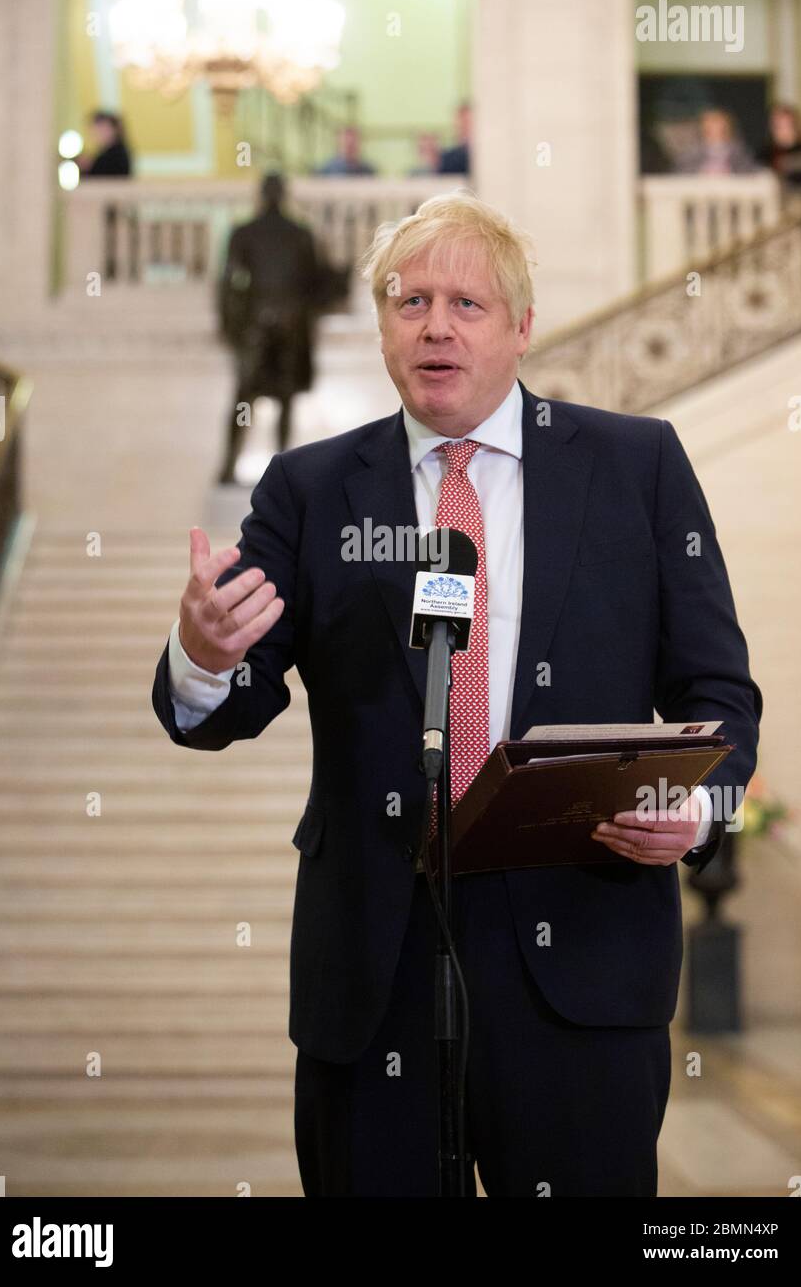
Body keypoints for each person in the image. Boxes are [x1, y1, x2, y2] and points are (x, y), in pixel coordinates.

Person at [152, 190, 761, 1197]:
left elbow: (717, 694)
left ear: (521, 327)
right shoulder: (309, 491)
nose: (435, 325)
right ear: (383, 326)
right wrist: (202, 649)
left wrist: (690, 807)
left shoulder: (633, 467)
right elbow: (227, 704)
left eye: (467, 304)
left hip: (581, 963)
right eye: (409, 300)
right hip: (373, 969)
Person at [216, 173, 342, 481]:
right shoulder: (298, 233)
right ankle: (273, 466)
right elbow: (316, 283)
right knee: (280, 398)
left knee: (246, 397)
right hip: (288, 325)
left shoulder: (246, 232)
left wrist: (230, 326)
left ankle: (232, 466)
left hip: (258, 327)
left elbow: (229, 284)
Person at [757, 103, 801, 203]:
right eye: (779, 126)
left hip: (798, 202)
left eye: (787, 125)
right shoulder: (766, 151)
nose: (783, 131)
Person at [675, 108, 756, 175]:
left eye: (717, 122)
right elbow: (680, 174)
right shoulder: (690, 153)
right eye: (709, 122)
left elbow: (749, 172)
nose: (714, 127)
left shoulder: (739, 152)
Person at [77, 110, 132, 177]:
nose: (98, 133)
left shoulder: (116, 155)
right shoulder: (106, 153)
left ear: (114, 129)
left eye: (102, 129)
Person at [439, 101, 471, 175]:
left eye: (468, 122)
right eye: (462, 122)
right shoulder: (447, 158)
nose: (465, 126)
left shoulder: (488, 153)